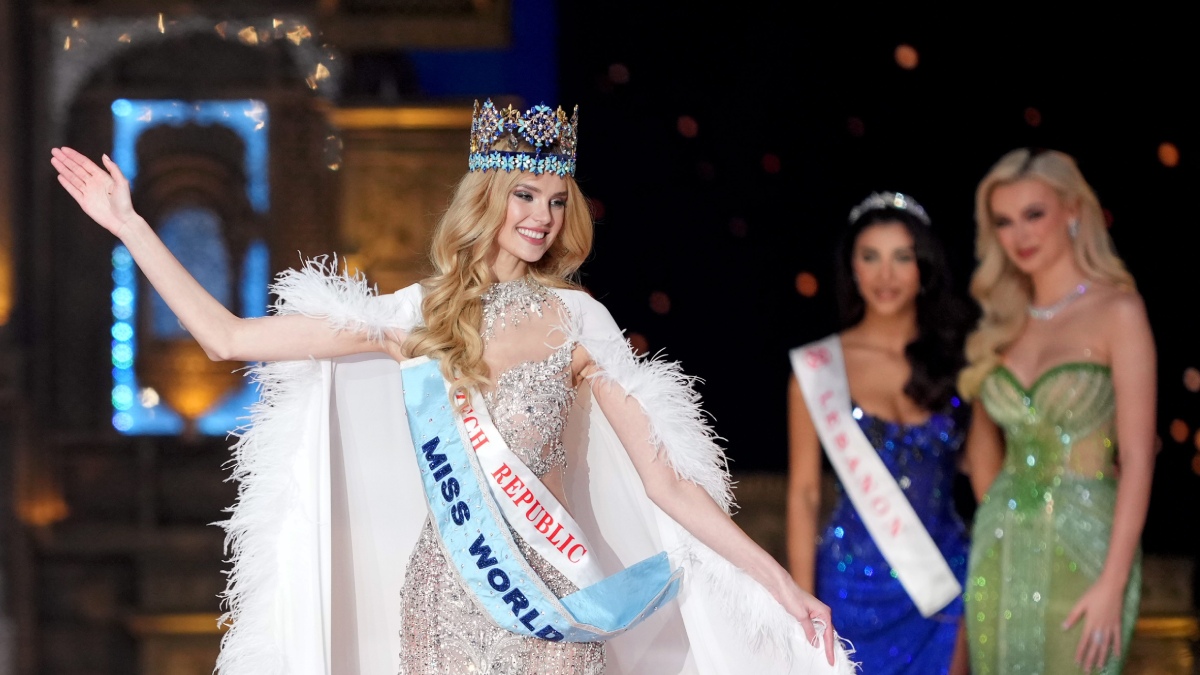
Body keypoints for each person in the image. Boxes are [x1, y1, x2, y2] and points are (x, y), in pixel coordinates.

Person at [50, 100, 853, 675]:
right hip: (447, 593)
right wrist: (131, 225)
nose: (541, 217)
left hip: (553, 597)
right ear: (488, 198)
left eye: (556, 200)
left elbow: (668, 481)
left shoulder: (580, 319)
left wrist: (781, 584)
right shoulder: (417, 316)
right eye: (524, 195)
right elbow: (227, 337)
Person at [958, 148, 1155, 675]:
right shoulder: (1001, 324)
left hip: (1088, 547)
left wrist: (1114, 581)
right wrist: (999, 515)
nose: (1019, 234)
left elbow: (1139, 458)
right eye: (1004, 221)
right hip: (998, 549)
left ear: (1072, 210)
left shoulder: (1119, 312)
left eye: (1034, 214)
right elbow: (983, 455)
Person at [787, 192, 974, 674]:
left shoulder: (961, 363)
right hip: (848, 589)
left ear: (924, 267)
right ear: (852, 267)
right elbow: (805, 494)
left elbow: (988, 480)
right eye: (870, 257)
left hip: (945, 587)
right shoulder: (817, 369)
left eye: (902, 257)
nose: (885, 275)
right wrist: (802, 610)